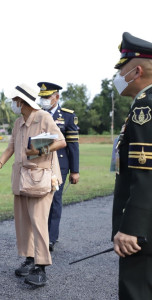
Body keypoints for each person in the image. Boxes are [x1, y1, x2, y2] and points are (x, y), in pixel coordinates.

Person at [0, 83, 66, 286]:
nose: (13, 104)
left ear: (22, 101)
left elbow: (61, 141)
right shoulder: (19, 122)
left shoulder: (44, 118)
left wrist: (39, 151)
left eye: (14, 101)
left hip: (41, 178)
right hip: (21, 178)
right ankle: (30, 259)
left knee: (38, 222)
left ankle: (41, 267)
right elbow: (10, 147)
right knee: (24, 222)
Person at [112, 32, 152, 299]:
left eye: (120, 69)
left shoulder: (144, 108)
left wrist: (132, 228)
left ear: (136, 70)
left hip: (143, 236)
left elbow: (146, 173)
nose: (115, 76)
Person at [37, 82, 80, 251]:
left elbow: (73, 145)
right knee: (40, 199)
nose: (44, 100)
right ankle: (40, 234)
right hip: (41, 164)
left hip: (60, 166)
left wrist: (75, 171)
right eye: (42, 97)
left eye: (47, 97)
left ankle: (51, 238)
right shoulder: (39, 115)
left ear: (57, 97)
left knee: (55, 201)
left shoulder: (68, 116)